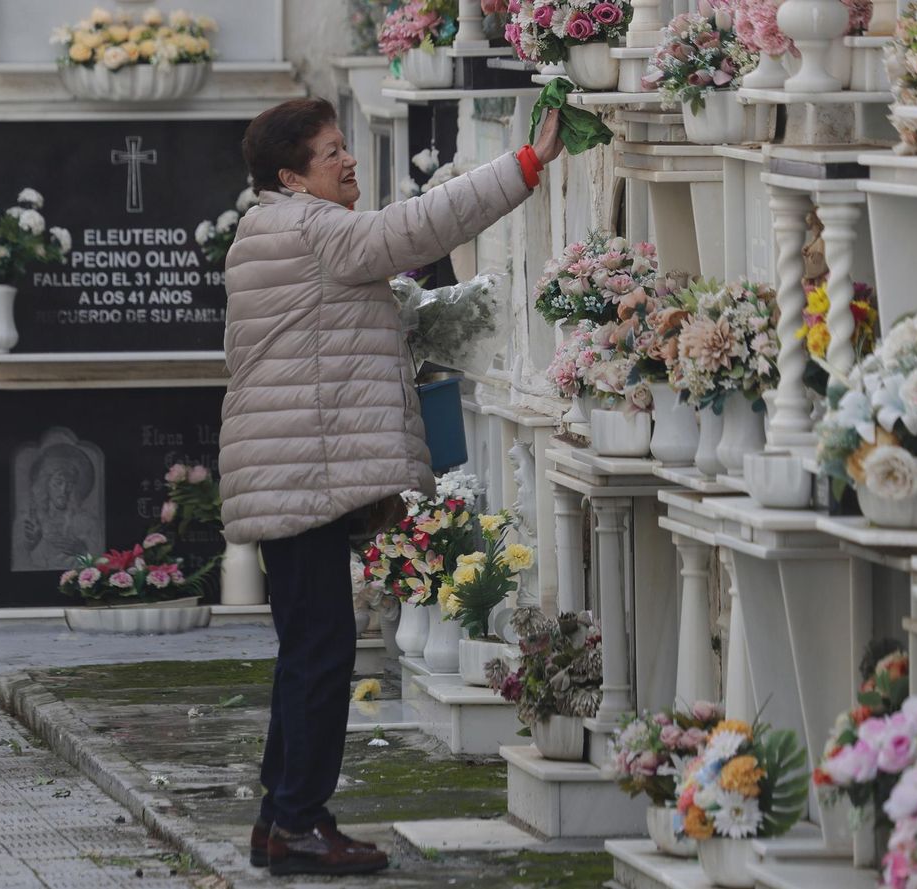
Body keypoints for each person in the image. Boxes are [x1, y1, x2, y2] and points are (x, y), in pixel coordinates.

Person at [219, 97, 563, 877]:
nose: (348, 161)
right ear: (290, 176)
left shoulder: (268, 229)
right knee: (321, 652)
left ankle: (282, 820)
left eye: (346, 146)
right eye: (330, 151)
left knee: (309, 649)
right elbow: (411, 229)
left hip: (289, 473)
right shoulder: (310, 228)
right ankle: (298, 822)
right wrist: (525, 165)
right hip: (297, 474)